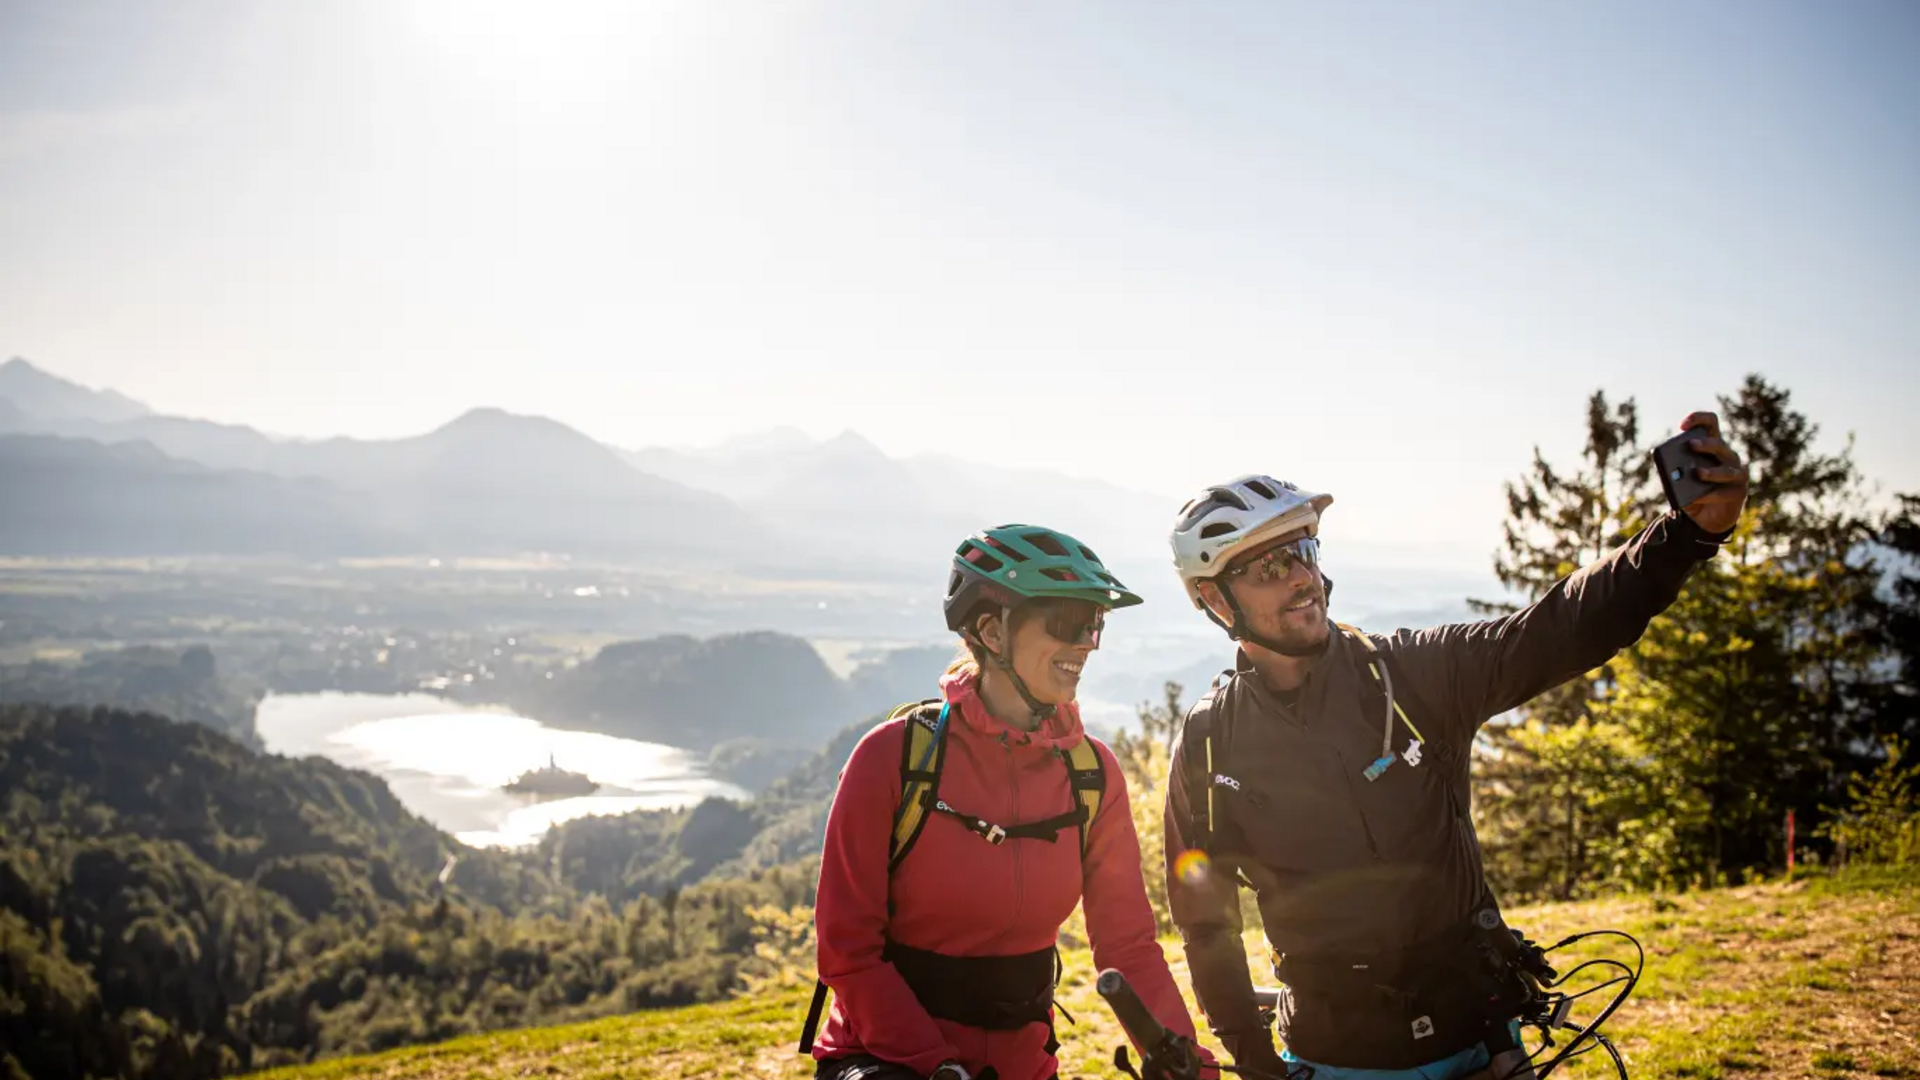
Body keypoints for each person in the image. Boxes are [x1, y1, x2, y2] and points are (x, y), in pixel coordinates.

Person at [1162, 413, 1750, 1080]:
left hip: (1475, 1040)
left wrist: (1687, 535)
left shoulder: (1411, 676)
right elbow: (1206, 922)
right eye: (1270, 564)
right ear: (1214, 598)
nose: (1300, 576)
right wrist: (1252, 1058)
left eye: (1305, 551)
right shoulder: (1214, 743)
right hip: (1330, 1058)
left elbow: (1558, 631)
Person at [809, 524, 1217, 1080]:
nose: (1085, 644)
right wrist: (938, 1067)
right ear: (991, 632)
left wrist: (1183, 1055)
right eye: (1069, 623)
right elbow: (847, 952)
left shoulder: (1091, 775)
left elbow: (1128, 943)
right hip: (887, 1060)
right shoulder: (894, 759)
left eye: (1094, 625)